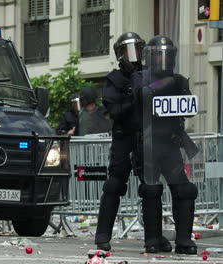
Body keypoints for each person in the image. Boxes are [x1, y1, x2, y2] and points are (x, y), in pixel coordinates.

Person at [94, 32, 173, 253]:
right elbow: (113, 110)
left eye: (137, 50)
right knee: (113, 185)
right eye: (128, 51)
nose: (133, 56)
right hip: (124, 138)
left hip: (146, 138)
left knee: (151, 187)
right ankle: (102, 236)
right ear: (119, 55)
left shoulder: (151, 75)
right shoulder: (114, 79)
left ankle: (153, 238)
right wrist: (132, 95)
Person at [131, 35, 198, 255]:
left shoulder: (179, 80)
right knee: (151, 191)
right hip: (148, 144)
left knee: (185, 190)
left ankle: (184, 240)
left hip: (170, 144)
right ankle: (152, 240)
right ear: (149, 57)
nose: (162, 59)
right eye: (158, 54)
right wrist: (169, 83)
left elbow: (188, 107)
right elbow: (143, 95)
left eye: (166, 54)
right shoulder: (140, 77)